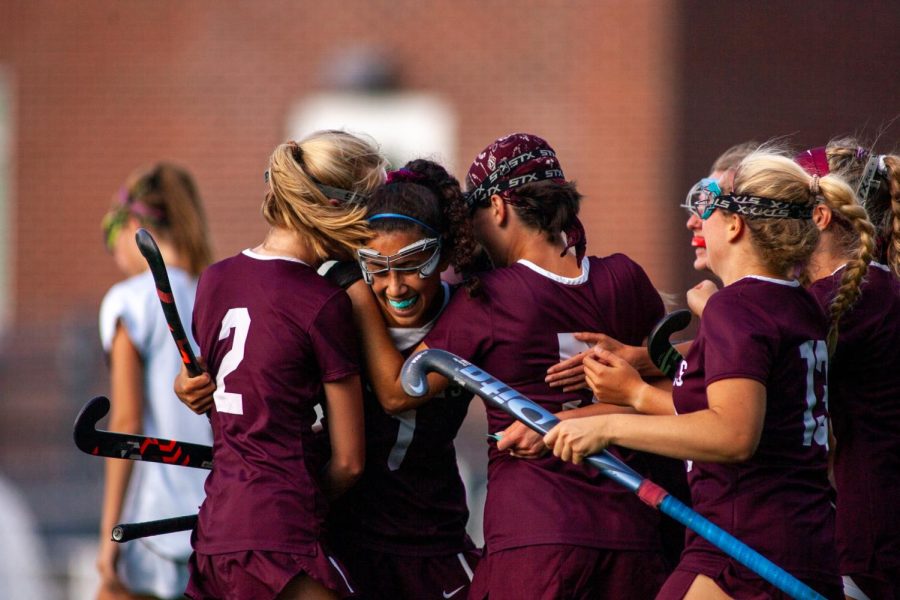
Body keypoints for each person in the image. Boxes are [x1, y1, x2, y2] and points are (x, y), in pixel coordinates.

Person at [346, 133, 672, 598]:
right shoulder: (626, 276)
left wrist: (357, 293)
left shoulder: (488, 298)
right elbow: (679, 391)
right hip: (634, 534)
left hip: (535, 533)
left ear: (497, 208)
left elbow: (402, 391)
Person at [544, 150, 853, 598]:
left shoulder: (737, 307)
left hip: (745, 548)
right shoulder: (799, 304)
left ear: (734, 225)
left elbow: (732, 434)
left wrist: (608, 427)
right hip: (798, 542)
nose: (695, 220)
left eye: (707, 205)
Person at [182, 131, 384, 600]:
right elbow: (350, 462)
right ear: (335, 208)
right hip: (279, 536)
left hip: (215, 529)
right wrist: (301, 495)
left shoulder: (215, 279)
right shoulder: (322, 302)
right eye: (368, 211)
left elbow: (216, 381)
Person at [325, 160, 481, 599]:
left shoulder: (472, 310)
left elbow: (399, 392)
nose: (396, 288)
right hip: (348, 534)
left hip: (432, 537)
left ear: (446, 253)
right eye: (377, 267)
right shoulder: (330, 308)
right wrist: (197, 385)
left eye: (414, 264)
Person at [97, 163, 214, 600]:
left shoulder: (129, 300)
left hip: (153, 526)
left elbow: (125, 421)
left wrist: (109, 536)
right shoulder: (214, 291)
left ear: (132, 225)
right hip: (217, 518)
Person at [797, 140, 900, 599]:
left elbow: (745, 378)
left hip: (875, 535)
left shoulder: (845, 299)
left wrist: (636, 393)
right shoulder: (883, 286)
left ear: (820, 216)